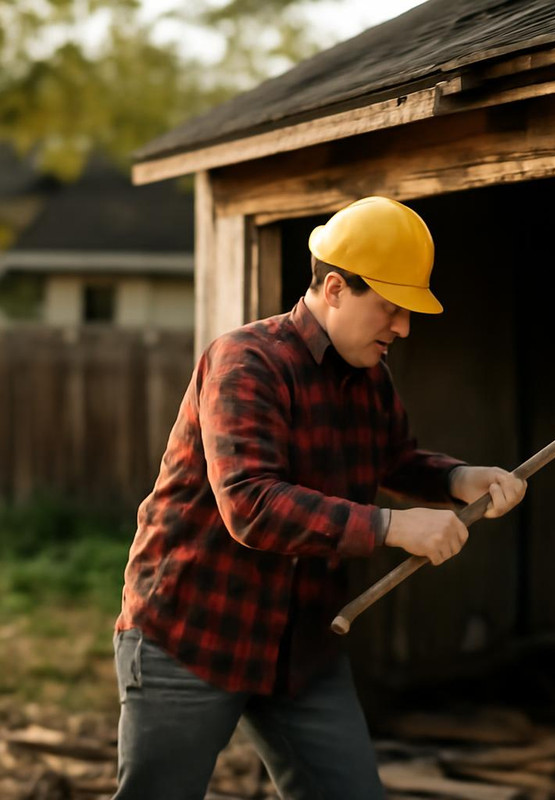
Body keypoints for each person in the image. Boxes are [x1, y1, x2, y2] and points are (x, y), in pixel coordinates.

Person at [112, 196, 526, 800]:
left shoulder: (370, 377)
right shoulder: (246, 363)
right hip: (194, 632)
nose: (404, 329)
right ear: (334, 289)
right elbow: (252, 505)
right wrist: (391, 526)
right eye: (390, 309)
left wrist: (458, 479)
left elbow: (395, 459)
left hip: (301, 649)